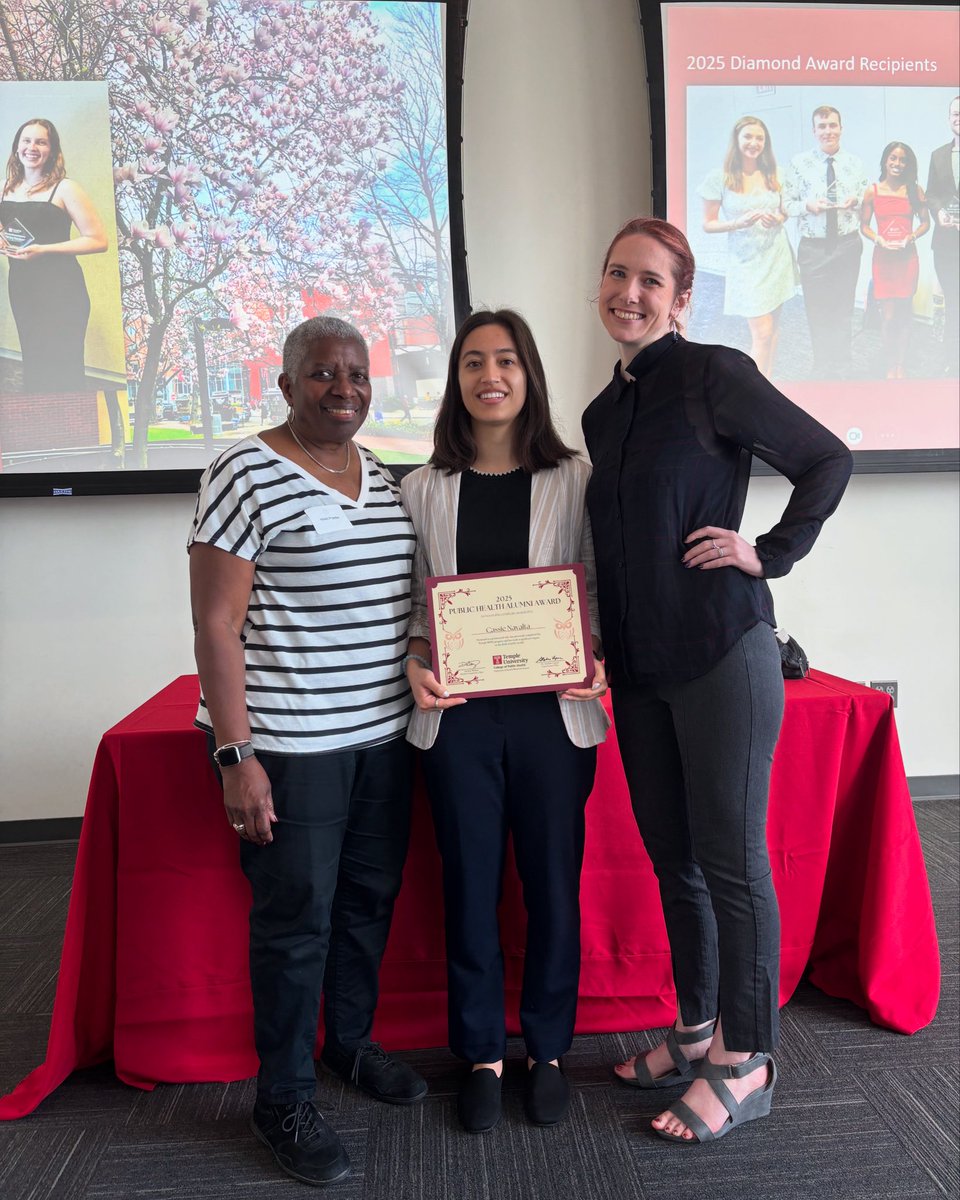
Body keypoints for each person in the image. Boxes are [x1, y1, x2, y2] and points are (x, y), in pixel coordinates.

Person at [585, 217, 852, 1145]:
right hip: (641, 670)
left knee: (734, 865)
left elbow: (827, 458)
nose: (630, 292)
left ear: (682, 299)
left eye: (651, 281)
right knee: (675, 860)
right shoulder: (602, 412)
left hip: (722, 655)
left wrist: (766, 553)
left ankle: (750, 1063)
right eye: (617, 275)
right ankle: (697, 1032)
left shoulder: (714, 375)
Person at [188, 315, 427, 1187]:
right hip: (291, 746)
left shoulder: (386, 474)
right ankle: (282, 1098)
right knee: (296, 926)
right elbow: (215, 621)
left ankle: (349, 1046)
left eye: (358, 374)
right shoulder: (243, 470)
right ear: (285, 385)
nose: (345, 388)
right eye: (323, 373)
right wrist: (235, 752)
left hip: (385, 737)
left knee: (368, 899)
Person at [401, 309, 609, 1133]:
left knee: (554, 888)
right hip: (457, 723)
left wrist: (599, 654)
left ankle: (548, 1049)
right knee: (469, 888)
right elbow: (411, 605)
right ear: (456, 381)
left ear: (530, 377)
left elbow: (596, 582)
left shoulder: (577, 478)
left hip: (554, 718)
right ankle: (483, 1050)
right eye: (474, 363)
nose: (491, 376)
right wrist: (414, 663)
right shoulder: (420, 489)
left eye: (508, 361)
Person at [0, 118, 107, 393]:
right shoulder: (4, 187)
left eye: (40, 141)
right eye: (26, 140)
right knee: (34, 361)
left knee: (63, 364)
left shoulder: (66, 188)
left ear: (52, 149)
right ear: (16, 147)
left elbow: (99, 240)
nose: (31, 147)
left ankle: (71, 431)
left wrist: (43, 250)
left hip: (62, 289)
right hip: (23, 287)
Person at [698, 115, 797, 378]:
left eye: (759, 138)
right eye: (748, 137)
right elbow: (708, 223)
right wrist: (737, 223)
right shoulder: (720, 177)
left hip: (776, 256)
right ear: (737, 140)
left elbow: (785, 211)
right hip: (745, 261)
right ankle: (755, 392)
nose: (754, 143)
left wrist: (779, 217)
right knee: (761, 333)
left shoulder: (776, 174)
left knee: (773, 330)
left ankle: (768, 382)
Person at [783, 105, 868, 376]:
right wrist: (808, 206)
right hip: (813, 248)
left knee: (843, 308)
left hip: (847, 245)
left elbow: (866, 200)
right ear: (814, 131)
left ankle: (842, 363)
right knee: (817, 310)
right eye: (822, 126)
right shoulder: (798, 164)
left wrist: (857, 202)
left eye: (832, 125)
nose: (828, 131)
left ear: (841, 128)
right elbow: (786, 205)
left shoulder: (856, 164)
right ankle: (822, 364)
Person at [860, 142, 930, 380]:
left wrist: (912, 236)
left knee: (904, 312)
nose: (897, 164)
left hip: (907, 259)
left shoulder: (915, 191)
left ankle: (900, 363)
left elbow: (925, 223)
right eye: (893, 158)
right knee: (888, 316)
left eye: (902, 160)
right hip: (883, 260)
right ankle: (890, 361)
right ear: (885, 161)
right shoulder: (873, 191)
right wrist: (877, 239)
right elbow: (864, 226)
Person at [925, 96, 960, 375]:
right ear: (949, 119)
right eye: (954, 114)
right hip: (947, 242)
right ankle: (951, 358)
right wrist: (938, 214)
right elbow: (931, 195)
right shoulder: (938, 155)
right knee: (953, 300)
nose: (958, 118)